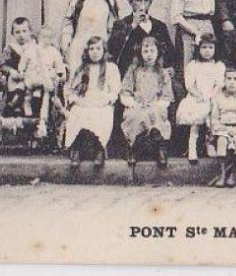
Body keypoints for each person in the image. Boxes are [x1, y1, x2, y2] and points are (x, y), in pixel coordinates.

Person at [64, 36, 121, 170]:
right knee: (77, 112)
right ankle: (76, 150)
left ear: (104, 50)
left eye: (98, 48)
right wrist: (77, 100)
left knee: (102, 114)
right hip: (84, 100)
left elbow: (115, 90)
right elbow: (72, 90)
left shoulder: (111, 68)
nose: (95, 52)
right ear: (87, 51)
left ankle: (98, 149)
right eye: (91, 49)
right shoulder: (82, 68)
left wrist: (106, 99)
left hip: (102, 100)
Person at [119, 35, 175, 167]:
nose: (149, 55)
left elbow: (166, 95)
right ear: (140, 53)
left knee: (156, 114)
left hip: (155, 104)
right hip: (137, 104)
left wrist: (157, 104)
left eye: (152, 51)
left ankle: (160, 148)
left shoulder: (162, 72)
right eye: (145, 51)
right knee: (134, 115)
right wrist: (132, 102)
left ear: (158, 53)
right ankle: (132, 147)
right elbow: (126, 89)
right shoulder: (134, 70)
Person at [175, 32, 226, 163]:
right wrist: (199, 95)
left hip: (213, 95)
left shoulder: (218, 65)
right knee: (196, 119)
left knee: (212, 114)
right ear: (198, 49)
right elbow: (189, 85)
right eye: (204, 47)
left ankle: (209, 143)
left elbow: (219, 84)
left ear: (215, 49)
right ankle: (192, 147)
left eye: (210, 47)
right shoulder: (193, 65)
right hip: (196, 96)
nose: (207, 51)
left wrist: (210, 96)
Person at [108, 0, 175, 79]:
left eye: (146, 0)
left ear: (150, 3)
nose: (142, 4)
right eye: (138, 0)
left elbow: (170, 52)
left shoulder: (159, 25)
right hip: (130, 75)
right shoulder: (121, 24)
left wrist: (170, 67)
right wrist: (132, 26)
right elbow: (113, 49)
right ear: (131, 3)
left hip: (156, 73)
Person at [61, 0, 119, 75]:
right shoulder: (77, 1)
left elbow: (112, 26)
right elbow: (67, 24)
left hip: (100, 47)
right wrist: (66, 43)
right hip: (79, 46)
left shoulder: (108, 1)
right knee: (78, 77)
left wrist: (109, 45)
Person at [18, 24, 67, 140]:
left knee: (47, 91)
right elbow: (23, 62)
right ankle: (28, 104)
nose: (46, 40)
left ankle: (43, 119)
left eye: (49, 38)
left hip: (46, 78)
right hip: (33, 76)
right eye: (44, 37)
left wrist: (59, 74)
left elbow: (59, 66)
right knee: (31, 89)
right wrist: (21, 70)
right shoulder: (31, 50)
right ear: (38, 37)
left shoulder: (54, 51)